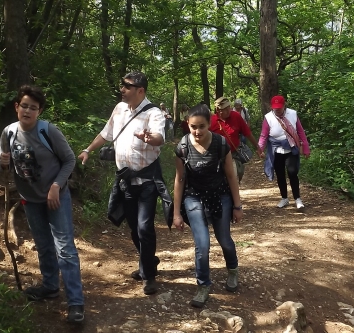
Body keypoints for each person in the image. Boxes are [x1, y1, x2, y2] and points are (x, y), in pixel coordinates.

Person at [0, 85, 85, 324]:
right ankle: (50, 286)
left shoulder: (49, 132)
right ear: (17, 107)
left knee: (64, 247)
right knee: (43, 245)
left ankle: (76, 303)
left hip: (56, 196)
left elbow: (69, 160)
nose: (27, 111)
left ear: (39, 111)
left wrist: (56, 185)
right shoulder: (9, 133)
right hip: (30, 199)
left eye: (33, 108)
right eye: (24, 106)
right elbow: (2, 168)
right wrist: (3, 163)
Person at [78, 71, 166, 295]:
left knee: (145, 227)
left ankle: (149, 276)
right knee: (133, 228)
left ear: (140, 90)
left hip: (147, 181)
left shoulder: (154, 113)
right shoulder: (118, 109)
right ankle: (149, 262)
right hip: (125, 181)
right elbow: (105, 134)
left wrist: (150, 138)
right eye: (122, 85)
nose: (122, 90)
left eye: (127, 86)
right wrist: (88, 150)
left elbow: (160, 138)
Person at [173, 104, 243, 308]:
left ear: (210, 124)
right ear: (188, 124)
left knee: (225, 240)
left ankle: (233, 270)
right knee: (202, 245)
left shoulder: (221, 144)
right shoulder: (183, 147)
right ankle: (203, 285)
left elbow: (231, 175)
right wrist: (176, 213)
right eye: (193, 126)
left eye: (202, 126)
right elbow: (179, 180)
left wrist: (237, 206)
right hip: (193, 197)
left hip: (220, 196)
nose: (197, 131)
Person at [258, 95, 311, 210]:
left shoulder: (292, 114)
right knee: (280, 174)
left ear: (284, 105)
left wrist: (306, 148)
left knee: (292, 172)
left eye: (279, 107)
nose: (277, 110)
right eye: (275, 108)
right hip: (276, 150)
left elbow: (301, 132)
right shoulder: (268, 117)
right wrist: (260, 149)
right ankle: (284, 198)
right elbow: (264, 135)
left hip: (291, 148)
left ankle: (297, 199)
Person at [209, 96, 264, 182]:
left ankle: (234, 194)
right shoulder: (211, 121)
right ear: (219, 110)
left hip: (233, 155)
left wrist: (258, 148)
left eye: (229, 107)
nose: (229, 110)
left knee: (234, 178)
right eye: (225, 109)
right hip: (217, 157)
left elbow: (248, 133)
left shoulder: (236, 116)